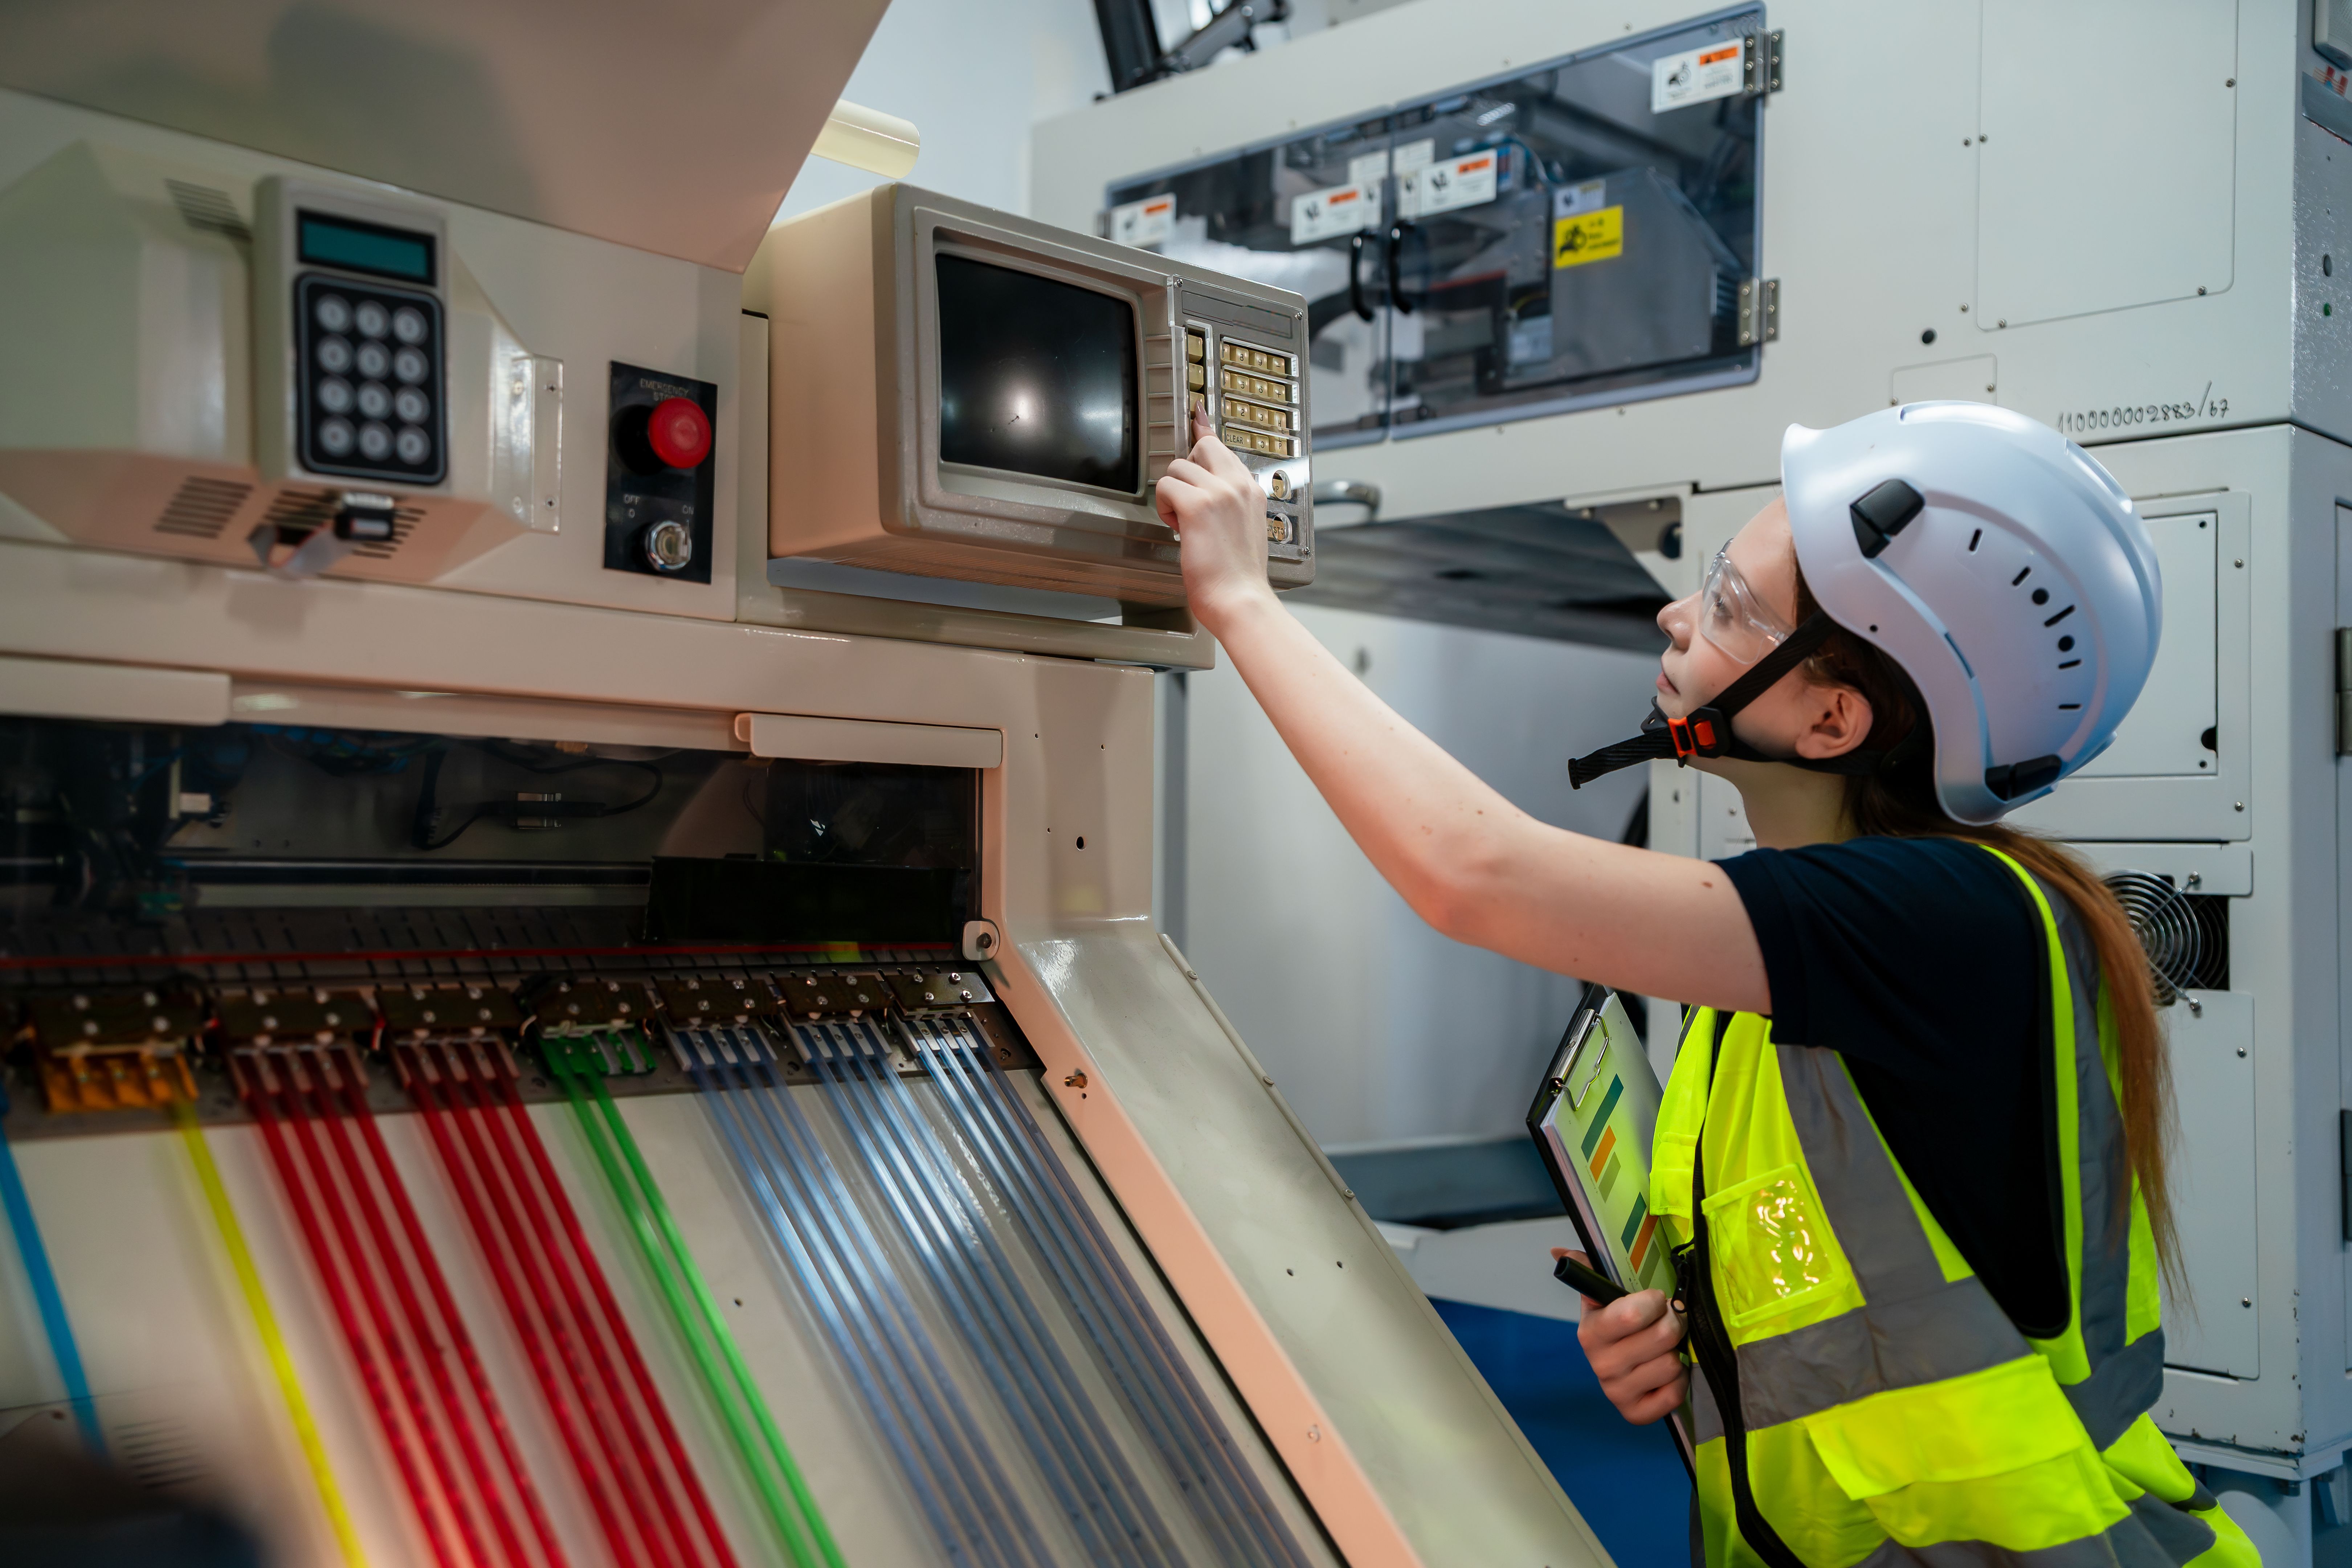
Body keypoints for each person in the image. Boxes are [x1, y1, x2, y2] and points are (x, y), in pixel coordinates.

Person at [1155, 400, 2260, 1567]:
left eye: (1730, 606)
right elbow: (1841, 1268)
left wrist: (1241, 597)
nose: (1677, 615)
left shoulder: (1944, 924)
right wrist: (1701, 1338)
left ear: (1833, 719)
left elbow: (1471, 873)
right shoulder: (1796, 953)